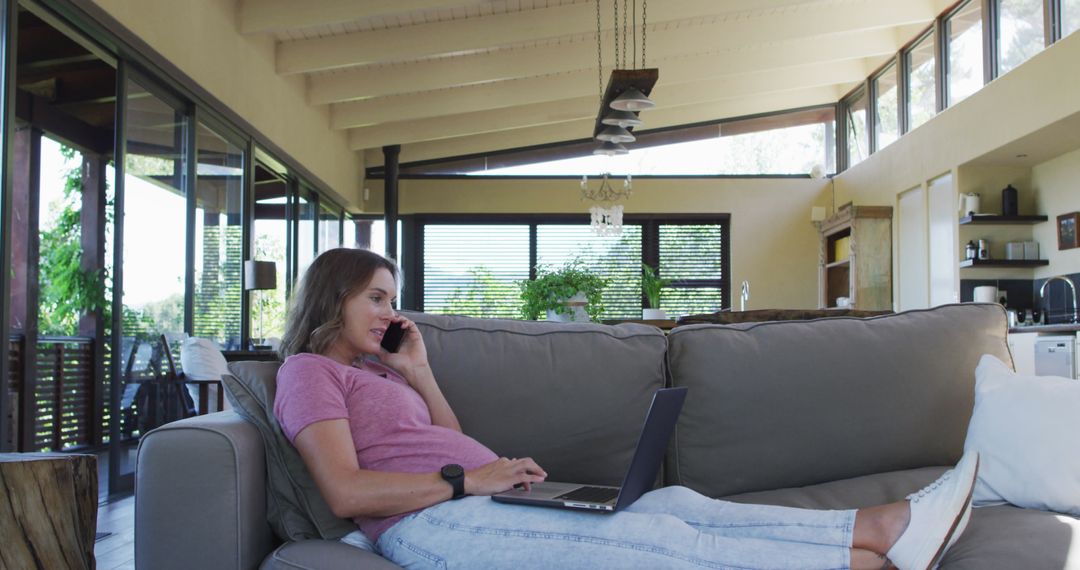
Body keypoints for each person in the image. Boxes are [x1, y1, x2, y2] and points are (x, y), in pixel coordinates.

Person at [275, 248, 979, 570]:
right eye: (376, 297)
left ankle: (879, 524)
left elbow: (447, 440)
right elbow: (344, 490)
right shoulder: (307, 372)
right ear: (331, 296)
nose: (390, 312)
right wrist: (471, 482)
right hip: (430, 526)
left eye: (393, 298)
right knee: (666, 548)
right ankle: (862, 561)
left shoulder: (382, 373)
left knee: (675, 504)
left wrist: (418, 370)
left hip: (487, 500)